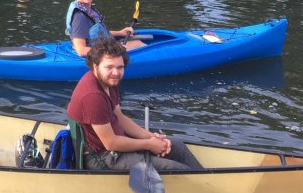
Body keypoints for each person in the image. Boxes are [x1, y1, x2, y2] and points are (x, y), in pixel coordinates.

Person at [67, 37, 204, 171]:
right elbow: (111, 143)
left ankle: (205, 181)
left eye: (120, 67)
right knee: (177, 169)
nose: (116, 73)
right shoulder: (92, 96)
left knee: (177, 147)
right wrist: (149, 144)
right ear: (95, 66)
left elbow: (120, 118)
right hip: (102, 157)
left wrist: (152, 137)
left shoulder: (109, 81)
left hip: (117, 142)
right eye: (109, 67)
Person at [66, 0, 145, 56]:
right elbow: (81, 51)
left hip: (102, 46)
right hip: (97, 56)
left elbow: (97, 34)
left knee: (137, 42)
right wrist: (112, 50)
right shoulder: (80, 17)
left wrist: (120, 33)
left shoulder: (87, 10)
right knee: (138, 45)